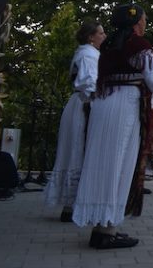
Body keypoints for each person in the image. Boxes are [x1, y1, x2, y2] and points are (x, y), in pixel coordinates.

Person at [73, 4, 153, 249]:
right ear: (135, 22)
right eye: (144, 19)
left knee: (101, 163)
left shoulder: (107, 47)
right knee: (119, 165)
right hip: (125, 105)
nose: (145, 23)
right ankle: (107, 229)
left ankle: (101, 227)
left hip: (103, 104)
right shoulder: (138, 45)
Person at [44, 20, 106, 221]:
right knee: (80, 150)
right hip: (85, 105)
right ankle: (74, 205)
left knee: (75, 151)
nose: (104, 36)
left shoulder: (86, 53)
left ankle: (72, 205)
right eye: (101, 33)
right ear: (91, 37)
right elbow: (89, 81)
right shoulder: (88, 54)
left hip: (79, 104)